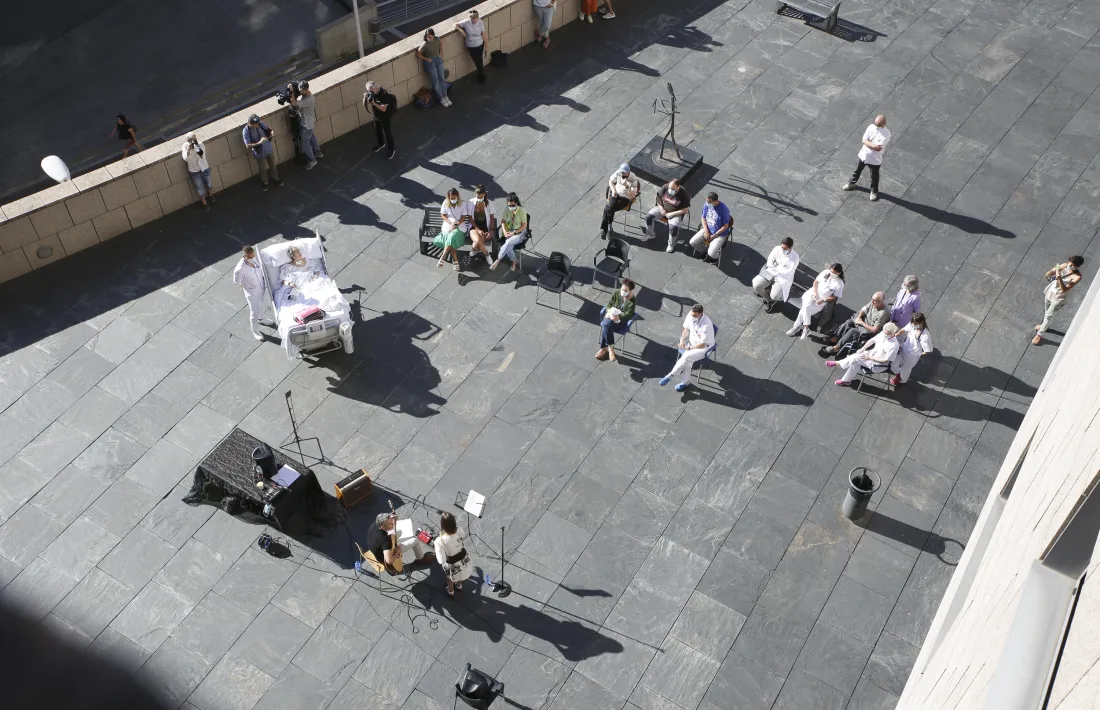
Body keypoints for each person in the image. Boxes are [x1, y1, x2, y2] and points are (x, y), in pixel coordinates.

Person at [659, 304, 715, 392]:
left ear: (700, 314)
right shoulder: (691, 315)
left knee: (686, 357)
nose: (692, 316)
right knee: (687, 360)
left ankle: (671, 375)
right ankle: (684, 382)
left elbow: (702, 344)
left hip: (704, 348)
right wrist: (682, 340)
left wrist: (689, 348)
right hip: (692, 344)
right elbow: (686, 329)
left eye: (694, 315)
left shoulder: (706, 325)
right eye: (692, 314)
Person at [827, 323, 900, 386]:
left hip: (878, 364)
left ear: (893, 333)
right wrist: (863, 348)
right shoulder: (883, 334)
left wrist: (869, 357)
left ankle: (838, 363)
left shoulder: (893, 345)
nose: (884, 334)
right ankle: (846, 381)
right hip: (871, 355)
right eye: (884, 332)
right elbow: (872, 340)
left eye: (886, 334)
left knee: (857, 357)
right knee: (855, 361)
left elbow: (885, 360)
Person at [1034, 256, 1084, 345]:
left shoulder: (1077, 276)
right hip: (1050, 292)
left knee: (1049, 316)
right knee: (1047, 311)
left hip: (1059, 297)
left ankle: (1039, 334)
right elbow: (1048, 274)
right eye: (1069, 263)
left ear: (1078, 266)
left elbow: (1065, 289)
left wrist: (1059, 278)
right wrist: (1051, 272)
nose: (1069, 266)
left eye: (1072, 265)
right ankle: (1044, 326)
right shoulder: (1064, 265)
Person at [787, 263, 845, 340]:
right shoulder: (825, 272)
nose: (831, 274)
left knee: (804, 310)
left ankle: (796, 327)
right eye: (831, 271)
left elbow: (835, 296)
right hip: (812, 293)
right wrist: (815, 293)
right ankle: (805, 328)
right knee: (806, 307)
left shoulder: (840, 283)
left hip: (821, 300)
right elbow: (815, 282)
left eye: (834, 273)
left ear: (839, 273)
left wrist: (823, 300)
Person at [365, 512, 434, 574]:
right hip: (385, 558)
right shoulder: (384, 540)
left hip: (377, 549)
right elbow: (389, 561)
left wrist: (394, 518)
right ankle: (421, 558)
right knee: (415, 541)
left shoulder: (375, 524)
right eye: (390, 524)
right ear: (383, 527)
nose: (393, 524)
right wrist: (397, 552)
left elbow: (392, 519)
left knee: (398, 531)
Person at [824, 291, 890, 354]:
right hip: (863, 321)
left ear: (881, 302)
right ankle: (835, 338)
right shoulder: (873, 302)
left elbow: (874, 330)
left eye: (875, 301)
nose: (872, 301)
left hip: (868, 330)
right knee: (849, 322)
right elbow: (863, 309)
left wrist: (861, 323)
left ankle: (836, 348)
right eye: (872, 299)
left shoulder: (883, 314)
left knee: (853, 331)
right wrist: (859, 317)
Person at [843, 114, 890, 201]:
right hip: (864, 155)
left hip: (874, 159)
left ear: (884, 124)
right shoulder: (871, 127)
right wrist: (871, 144)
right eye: (875, 124)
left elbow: (877, 148)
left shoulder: (886, 134)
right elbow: (864, 140)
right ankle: (851, 183)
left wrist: (868, 143)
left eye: (878, 125)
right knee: (857, 170)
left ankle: (874, 192)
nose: (876, 126)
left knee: (874, 177)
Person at [232, 246, 274, 341]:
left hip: (261, 287)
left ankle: (261, 319)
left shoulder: (254, 259)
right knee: (254, 312)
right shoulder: (240, 269)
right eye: (251, 256)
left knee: (262, 305)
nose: (253, 256)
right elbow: (237, 282)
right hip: (252, 292)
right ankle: (255, 330)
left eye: (253, 254)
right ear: (245, 255)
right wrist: (246, 285)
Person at [752, 237, 799, 311]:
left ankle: (771, 297)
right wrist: (779, 268)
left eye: (785, 249)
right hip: (771, 272)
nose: (783, 250)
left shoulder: (795, 258)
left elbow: (787, 272)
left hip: (782, 278)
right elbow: (770, 261)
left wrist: (776, 267)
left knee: (775, 296)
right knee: (756, 284)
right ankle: (768, 300)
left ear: (790, 248)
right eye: (782, 247)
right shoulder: (777, 249)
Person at [596, 278, 636, 361]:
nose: (623, 291)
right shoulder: (616, 292)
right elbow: (609, 305)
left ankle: (604, 348)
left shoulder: (632, 301)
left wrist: (618, 317)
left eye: (625, 290)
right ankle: (610, 348)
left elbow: (628, 315)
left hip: (621, 321)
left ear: (630, 291)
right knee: (606, 325)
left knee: (605, 325)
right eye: (622, 289)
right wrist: (611, 314)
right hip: (611, 315)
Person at [645, 179, 691, 251]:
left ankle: (671, 244)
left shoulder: (684, 194)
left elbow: (685, 210)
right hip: (662, 208)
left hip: (675, 213)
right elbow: (658, 197)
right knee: (648, 217)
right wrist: (661, 209)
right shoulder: (665, 187)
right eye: (669, 187)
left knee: (674, 228)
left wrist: (672, 214)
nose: (670, 190)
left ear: (678, 187)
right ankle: (651, 234)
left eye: (673, 189)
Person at [434, 512, 473, 596]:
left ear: (443, 525)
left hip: (452, 563)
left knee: (450, 577)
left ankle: (451, 591)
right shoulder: (460, 530)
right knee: (462, 573)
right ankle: (459, 585)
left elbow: (441, 560)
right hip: (463, 557)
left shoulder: (439, 541)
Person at [286, 81, 322, 170]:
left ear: (306, 89)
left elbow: (294, 104)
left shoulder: (308, 99)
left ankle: (312, 160)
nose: (300, 91)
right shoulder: (308, 94)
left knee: (306, 144)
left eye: (301, 90)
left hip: (306, 126)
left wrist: (291, 91)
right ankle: (318, 152)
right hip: (309, 124)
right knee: (312, 137)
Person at [687, 192, 732, 261]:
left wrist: (713, 236)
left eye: (709, 202)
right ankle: (704, 250)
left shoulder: (723, 209)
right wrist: (706, 231)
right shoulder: (707, 204)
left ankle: (716, 257)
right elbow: (703, 218)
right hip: (707, 230)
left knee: (711, 253)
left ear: (715, 201)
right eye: (707, 201)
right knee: (692, 242)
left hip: (719, 234)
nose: (707, 203)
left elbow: (725, 226)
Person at [242, 114, 282, 191]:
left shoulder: (260, 123)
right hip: (259, 152)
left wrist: (272, 132)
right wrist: (259, 142)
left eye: (258, 122)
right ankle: (265, 182)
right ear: (250, 123)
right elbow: (248, 146)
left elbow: (269, 129)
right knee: (262, 168)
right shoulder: (246, 131)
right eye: (256, 123)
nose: (258, 124)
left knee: (273, 165)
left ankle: (276, 178)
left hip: (268, 148)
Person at [600, 164, 639, 239]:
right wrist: (613, 190)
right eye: (621, 172)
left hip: (624, 198)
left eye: (624, 173)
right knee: (609, 208)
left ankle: (606, 229)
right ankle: (609, 228)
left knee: (607, 208)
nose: (622, 174)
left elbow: (633, 195)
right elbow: (611, 181)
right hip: (615, 194)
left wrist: (626, 185)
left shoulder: (633, 178)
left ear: (628, 172)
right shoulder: (619, 173)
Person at [891, 313, 932, 385]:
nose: (913, 325)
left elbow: (928, 351)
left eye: (915, 323)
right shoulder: (912, 324)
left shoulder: (925, 335)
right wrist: (896, 335)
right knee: (894, 364)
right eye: (912, 323)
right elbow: (904, 329)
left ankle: (902, 380)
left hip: (911, 356)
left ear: (921, 322)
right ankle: (898, 374)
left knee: (905, 371)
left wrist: (918, 355)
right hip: (904, 348)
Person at [435, 188, 470, 271]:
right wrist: (450, 223)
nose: (453, 200)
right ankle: (455, 261)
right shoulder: (445, 202)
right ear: (448, 197)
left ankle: (442, 257)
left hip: (459, 226)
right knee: (451, 239)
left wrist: (456, 224)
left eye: (454, 198)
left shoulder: (463, 204)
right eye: (451, 198)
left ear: (457, 196)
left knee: (451, 236)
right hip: (448, 225)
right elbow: (443, 215)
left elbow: (463, 217)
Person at [491, 193, 528, 272]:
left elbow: (524, 226)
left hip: (519, 233)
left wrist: (513, 233)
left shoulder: (521, 211)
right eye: (509, 205)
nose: (511, 207)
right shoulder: (507, 209)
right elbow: (503, 221)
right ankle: (514, 261)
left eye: (512, 205)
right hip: (509, 231)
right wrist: (504, 231)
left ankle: (498, 260)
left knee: (507, 243)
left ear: (516, 203)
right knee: (509, 246)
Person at [417, 29, 451, 107]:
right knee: (435, 81)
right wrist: (426, 59)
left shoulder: (438, 39)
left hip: (438, 59)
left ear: (433, 35)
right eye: (427, 37)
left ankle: (445, 96)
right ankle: (441, 98)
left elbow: (440, 46)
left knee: (442, 78)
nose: (429, 38)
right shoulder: (424, 44)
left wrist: (441, 54)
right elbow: (418, 54)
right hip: (430, 62)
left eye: (430, 37)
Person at [364, 81, 396, 160]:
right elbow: (365, 104)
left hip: (385, 115)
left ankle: (391, 149)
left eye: (371, 91)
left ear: (375, 88)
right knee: (377, 130)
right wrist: (365, 98)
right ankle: (381, 144)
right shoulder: (371, 93)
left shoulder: (384, 94)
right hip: (376, 115)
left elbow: (384, 109)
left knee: (387, 132)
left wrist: (374, 104)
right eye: (369, 91)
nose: (370, 93)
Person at [181, 132, 215, 209]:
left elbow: (202, 156)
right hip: (194, 171)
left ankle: (210, 195)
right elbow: (185, 159)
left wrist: (196, 147)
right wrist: (189, 151)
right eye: (190, 140)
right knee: (200, 188)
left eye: (194, 140)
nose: (192, 142)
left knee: (209, 184)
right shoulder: (185, 146)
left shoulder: (200, 144)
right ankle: (204, 202)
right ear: (187, 141)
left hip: (204, 168)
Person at [455, 9, 488, 83]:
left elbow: (483, 35)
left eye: (474, 19)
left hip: (480, 44)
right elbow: (455, 25)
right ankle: (482, 75)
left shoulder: (480, 23)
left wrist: (486, 47)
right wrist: (461, 30)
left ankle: (481, 73)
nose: (472, 20)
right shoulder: (466, 22)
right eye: (471, 19)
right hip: (471, 46)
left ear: (477, 18)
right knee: (477, 60)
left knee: (479, 59)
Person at [467, 185, 495, 262]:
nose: (479, 198)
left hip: (485, 227)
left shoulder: (489, 203)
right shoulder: (470, 202)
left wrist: (491, 230)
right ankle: (487, 255)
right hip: (474, 227)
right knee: (478, 241)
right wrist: (478, 230)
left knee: (475, 246)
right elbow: (470, 218)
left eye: (481, 197)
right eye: (477, 197)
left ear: (484, 194)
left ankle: (475, 250)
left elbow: (492, 218)